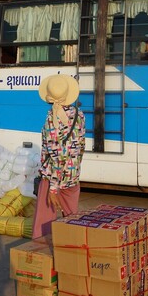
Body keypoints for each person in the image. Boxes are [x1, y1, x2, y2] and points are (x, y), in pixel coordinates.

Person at [32, 74, 86, 238]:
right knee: (72, 222)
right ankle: (72, 255)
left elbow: (58, 155)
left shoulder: (52, 119)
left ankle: (43, 258)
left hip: (53, 180)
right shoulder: (79, 115)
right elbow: (79, 147)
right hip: (72, 177)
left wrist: (53, 189)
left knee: (43, 228)